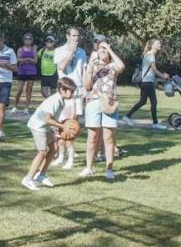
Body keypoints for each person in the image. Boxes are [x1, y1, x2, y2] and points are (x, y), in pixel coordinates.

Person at [79, 37, 126, 179]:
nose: (103, 52)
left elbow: (122, 67)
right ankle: (88, 167)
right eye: (101, 49)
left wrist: (110, 49)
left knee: (108, 137)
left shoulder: (113, 65)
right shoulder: (92, 64)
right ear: (97, 51)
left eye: (105, 50)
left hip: (109, 102)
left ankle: (109, 169)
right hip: (93, 102)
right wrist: (89, 69)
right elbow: (87, 86)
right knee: (92, 137)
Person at [23, 77, 77, 190]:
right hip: (38, 126)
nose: (72, 94)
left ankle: (41, 175)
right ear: (62, 90)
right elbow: (47, 119)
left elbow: (52, 119)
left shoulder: (61, 100)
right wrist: (62, 127)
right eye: (71, 91)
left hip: (45, 127)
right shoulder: (55, 101)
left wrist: (56, 129)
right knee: (42, 152)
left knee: (54, 148)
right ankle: (28, 179)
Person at [53, 27, 88, 169]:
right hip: (64, 92)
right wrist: (71, 52)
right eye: (73, 36)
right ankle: (61, 156)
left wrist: (86, 88)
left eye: (78, 36)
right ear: (67, 36)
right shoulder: (59, 50)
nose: (76, 38)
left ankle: (70, 158)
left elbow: (84, 71)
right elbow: (61, 66)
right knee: (60, 126)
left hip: (78, 92)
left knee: (73, 126)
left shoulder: (82, 52)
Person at [125, 38, 170, 126]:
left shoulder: (148, 55)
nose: (159, 45)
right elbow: (155, 70)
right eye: (157, 43)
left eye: (159, 43)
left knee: (142, 101)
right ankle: (155, 123)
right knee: (154, 102)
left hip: (145, 82)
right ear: (152, 45)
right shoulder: (151, 55)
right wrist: (164, 76)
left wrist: (157, 83)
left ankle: (127, 116)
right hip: (147, 82)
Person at [13, 33, 39, 112]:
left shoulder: (34, 49)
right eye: (26, 39)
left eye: (29, 39)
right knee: (19, 90)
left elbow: (35, 61)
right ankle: (14, 107)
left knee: (29, 90)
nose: (27, 40)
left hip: (32, 71)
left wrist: (26, 59)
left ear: (32, 40)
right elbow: (17, 60)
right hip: (22, 71)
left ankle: (26, 108)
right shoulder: (20, 49)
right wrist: (27, 59)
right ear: (23, 40)